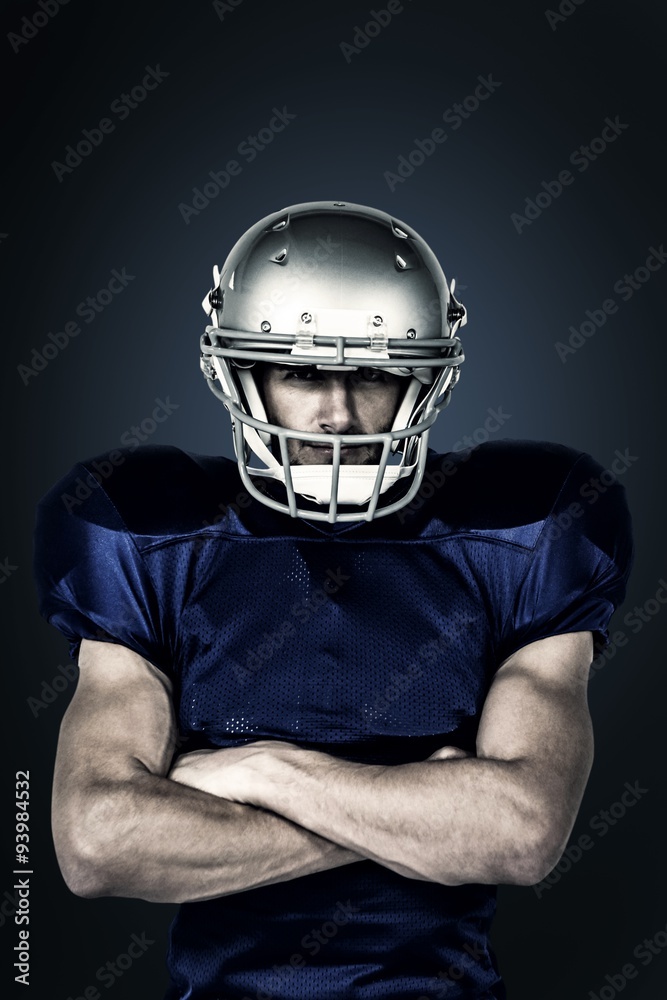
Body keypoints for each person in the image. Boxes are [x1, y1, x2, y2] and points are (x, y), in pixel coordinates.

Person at [34, 201, 633, 1000]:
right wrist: (423, 813)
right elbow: (98, 843)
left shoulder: (525, 525)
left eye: (373, 373)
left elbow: (519, 833)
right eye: (300, 371)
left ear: (425, 377)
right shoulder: (149, 534)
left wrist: (263, 769)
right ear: (236, 372)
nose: (337, 414)